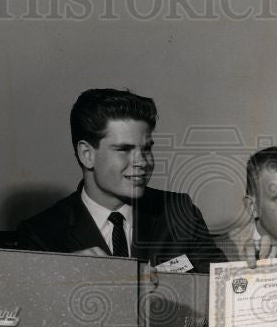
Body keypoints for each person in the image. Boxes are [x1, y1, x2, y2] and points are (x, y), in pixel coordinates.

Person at [16, 88, 223, 273]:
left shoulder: (181, 213)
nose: (142, 161)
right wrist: (64, 275)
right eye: (124, 149)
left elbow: (222, 294)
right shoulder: (40, 233)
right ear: (87, 154)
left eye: (147, 148)